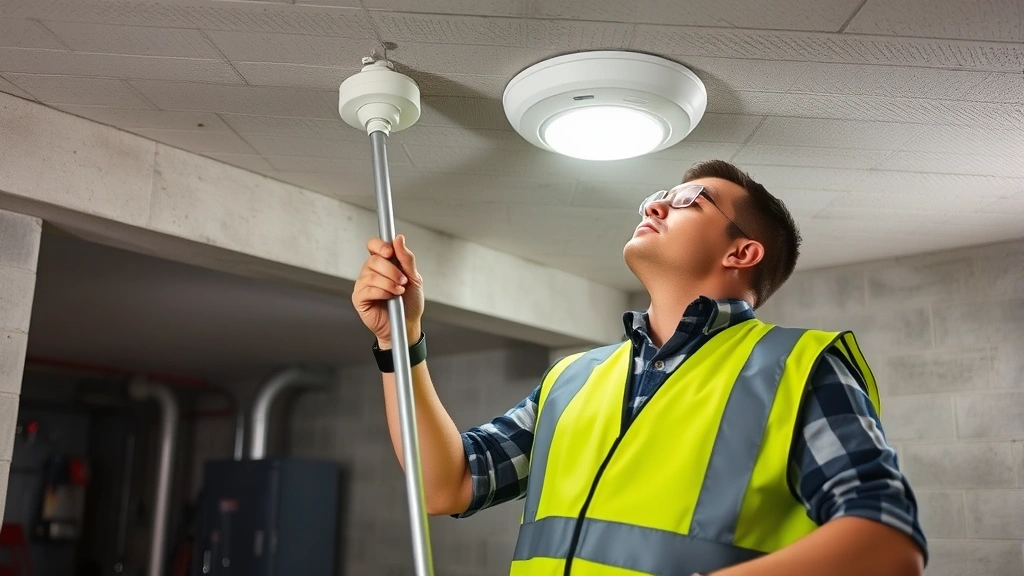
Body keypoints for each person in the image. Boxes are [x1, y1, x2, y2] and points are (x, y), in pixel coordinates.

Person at [351, 159, 927, 576]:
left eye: (687, 201)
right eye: (659, 195)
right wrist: (401, 343)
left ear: (741, 252)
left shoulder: (798, 369)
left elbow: (885, 539)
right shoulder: (573, 378)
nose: (654, 205)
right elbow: (445, 483)